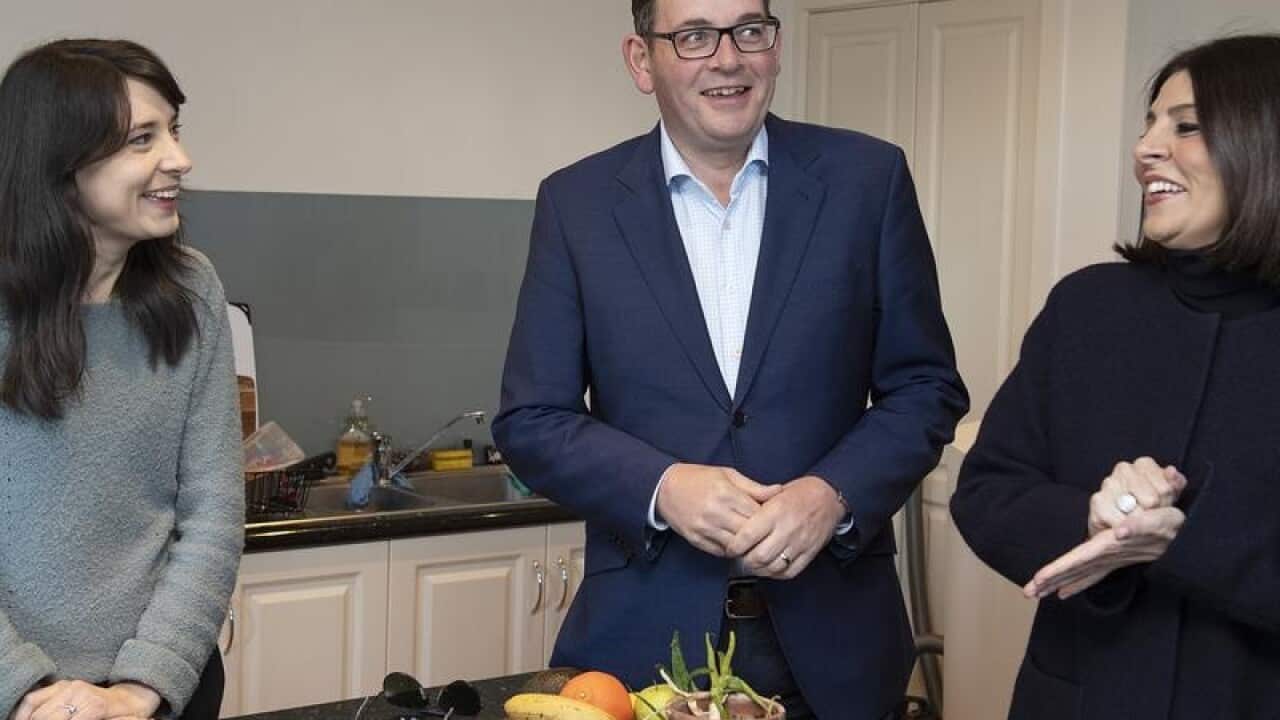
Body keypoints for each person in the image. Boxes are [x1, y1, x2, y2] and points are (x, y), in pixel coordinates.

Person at [492, 0, 968, 717]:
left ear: (775, 46)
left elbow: (927, 387)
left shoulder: (868, 180)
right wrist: (662, 487)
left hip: (839, 644)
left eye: (749, 30)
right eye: (693, 36)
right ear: (641, 60)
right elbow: (531, 418)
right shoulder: (576, 204)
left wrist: (833, 495)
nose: (727, 57)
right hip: (643, 646)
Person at [950, 33, 1280, 720]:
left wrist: (1179, 537)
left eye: (1185, 126)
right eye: (1149, 124)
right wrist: (1094, 517)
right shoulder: (1088, 306)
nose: (1145, 148)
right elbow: (986, 491)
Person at [0, 40, 243, 720]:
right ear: (60, 161)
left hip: (159, 691)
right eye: (143, 138)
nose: (179, 159)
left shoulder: (193, 290)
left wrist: (140, 689)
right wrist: (25, 692)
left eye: (174, 130)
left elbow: (213, 514)